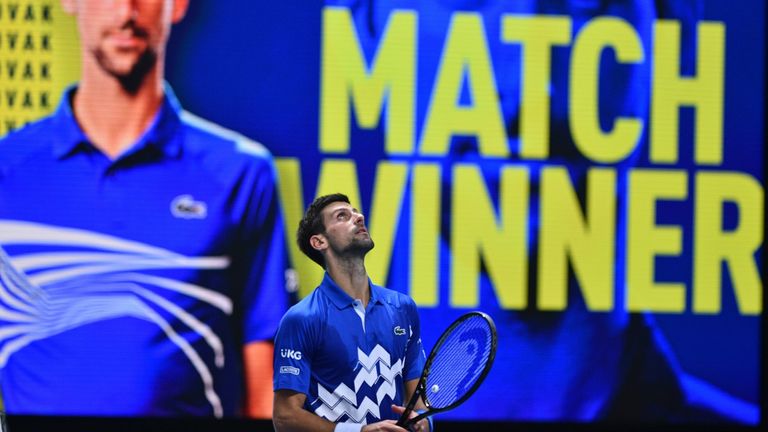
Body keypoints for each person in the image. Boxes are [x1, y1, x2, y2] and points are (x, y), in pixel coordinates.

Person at [0, 0, 289, 418]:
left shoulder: (240, 173)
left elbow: (266, 386)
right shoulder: (7, 171)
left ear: (178, 5)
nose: (125, 12)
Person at [273, 193, 431, 432]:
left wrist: (424, 422)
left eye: (356, 212)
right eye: (342, 216)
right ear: (319, 242)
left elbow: (418, 403)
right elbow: (285, 417)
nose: (359, 217)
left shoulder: (402, 308)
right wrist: (358, 431)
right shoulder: (302, 318)